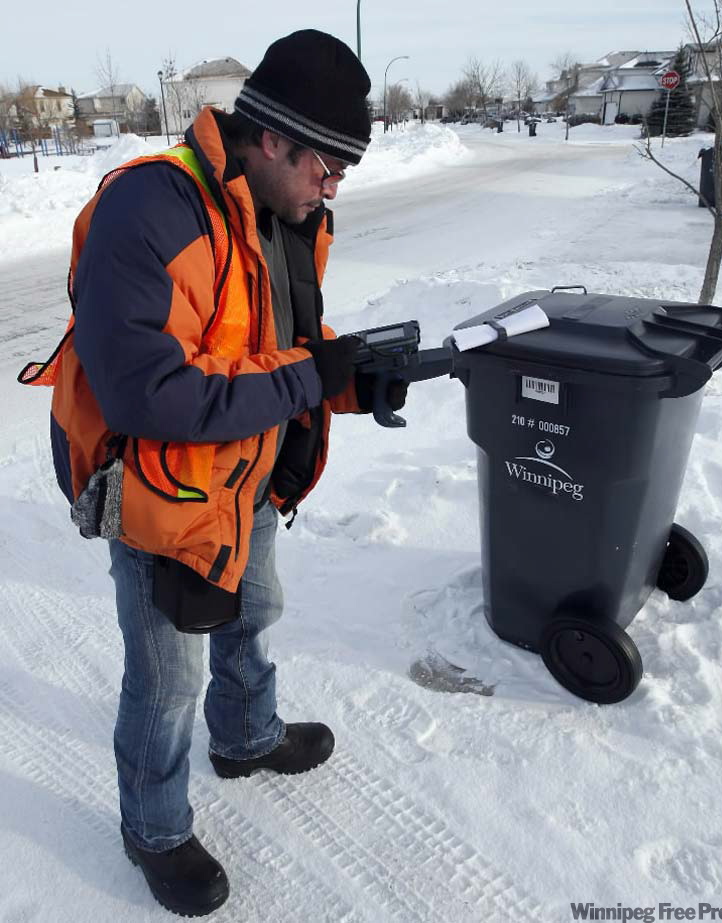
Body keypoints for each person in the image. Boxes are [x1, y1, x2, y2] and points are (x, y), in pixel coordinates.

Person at [19, 30, 407, 917]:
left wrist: (348, 382)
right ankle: (153, 827)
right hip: (162, 489)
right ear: (273, 139)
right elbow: (149, 393)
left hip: (246, 471)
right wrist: (313, 377)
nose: (333, 187)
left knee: (255, 607)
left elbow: (276, 356)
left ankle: (244, 734)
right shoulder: (149, 212)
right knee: (165, 675)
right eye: (327, 166)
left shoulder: (284, 215)